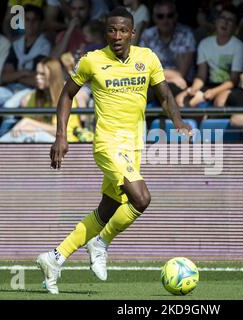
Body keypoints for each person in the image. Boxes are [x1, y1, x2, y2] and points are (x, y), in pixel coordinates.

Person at [36, 6, 192, 294]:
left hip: (134, 146)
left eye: (123, 30)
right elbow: (66, 94)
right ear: (105, 32)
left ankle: (54, 258)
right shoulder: (92, 61)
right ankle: (101, 242)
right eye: (111, 30)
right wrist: (61, 136)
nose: (117, 35)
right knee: (141, 198)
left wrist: (179, 123)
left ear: (132, 32)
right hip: (108, 144)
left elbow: (165, 94)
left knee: (107, 209)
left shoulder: (147, 58)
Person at [0, 5, 51, 111]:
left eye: (34, 20)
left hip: (32, 90)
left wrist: (15, 75)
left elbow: (36, 80)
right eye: (27, 19)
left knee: (9, 106)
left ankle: (11, 128)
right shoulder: (16, 44)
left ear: (41, 23)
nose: (30, 24)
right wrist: (23, 73)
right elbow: (3, 77)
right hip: (11, 88)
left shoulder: (44, 46)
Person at [0, 57, 88, 143]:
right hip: (40, 139)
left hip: (66, 143)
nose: (37, 77)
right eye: (36, 73)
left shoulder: (66, 95)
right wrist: (29, 125)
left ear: (53, 76)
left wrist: (29, 122)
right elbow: (27, 127)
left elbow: (61, 130)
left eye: (42, 74)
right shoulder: (34, 96)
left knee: (33, 134)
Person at [175, 5, 243, 108]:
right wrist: (194, 89)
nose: (225, 22)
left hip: (229, 88)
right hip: (209, 86)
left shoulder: (238, 46)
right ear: (216, 21)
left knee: (219, 103)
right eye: (223, 18)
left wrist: (213, 92)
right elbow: (201, 75)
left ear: (235, 27)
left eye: (230, 20)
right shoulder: (204, 44)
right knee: (180, 100)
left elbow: (234, 80)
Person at [139, 0, 196, 97]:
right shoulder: (147, 35)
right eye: (160, 16)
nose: (165, 20)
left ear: (176, 16)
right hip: (154, 83)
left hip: (180, 86)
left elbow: (181, 74)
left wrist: (153, 73)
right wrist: (170, 77)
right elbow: (142, 69)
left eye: (170, 15)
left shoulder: (186, 34)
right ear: (154, 18)